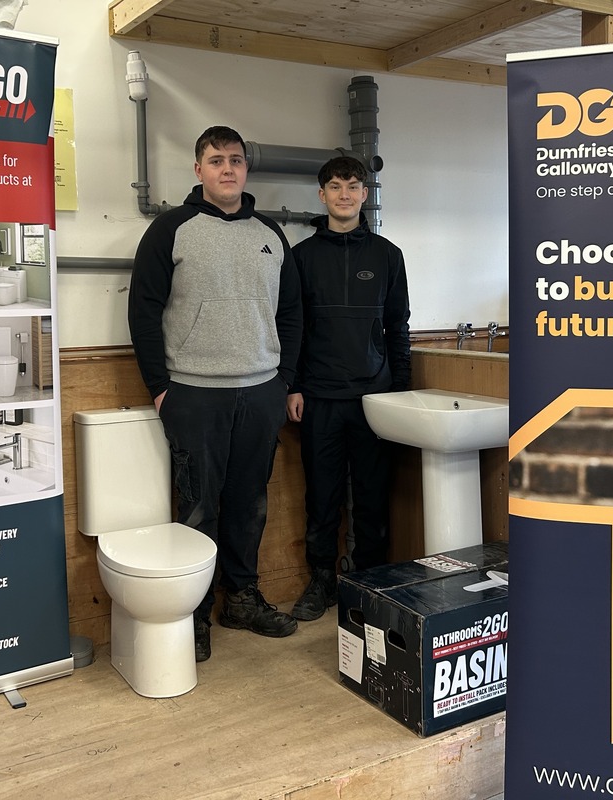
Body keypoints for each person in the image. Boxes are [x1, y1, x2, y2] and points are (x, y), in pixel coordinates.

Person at [128, 125, 302, 663]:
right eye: (216, 160)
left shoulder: (271, 234)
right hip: (194, 394)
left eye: (236, 160)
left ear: (246, 169)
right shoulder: (170, 229)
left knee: (250, 504)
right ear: (198, 169)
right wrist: (161, 388)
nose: (227, 169)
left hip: (260, 392)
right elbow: (143, 310)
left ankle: (242, 600)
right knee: (198, 507)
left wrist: (283, 382)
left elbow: (292, 314)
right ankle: (195, 614)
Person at [286, 155, 412, 621]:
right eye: (335, 186)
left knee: (374, 500)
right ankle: (321, 582)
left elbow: (399, 327)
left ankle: (370, 582)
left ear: (365, 194)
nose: (344, 194)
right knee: (322, 498)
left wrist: (400, 390)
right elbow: (292, 328)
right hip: (317, 398)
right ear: (322, 195)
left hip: (375, 401)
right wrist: (293, 386)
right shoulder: (301, 257)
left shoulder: (387, 255)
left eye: (353, 186)